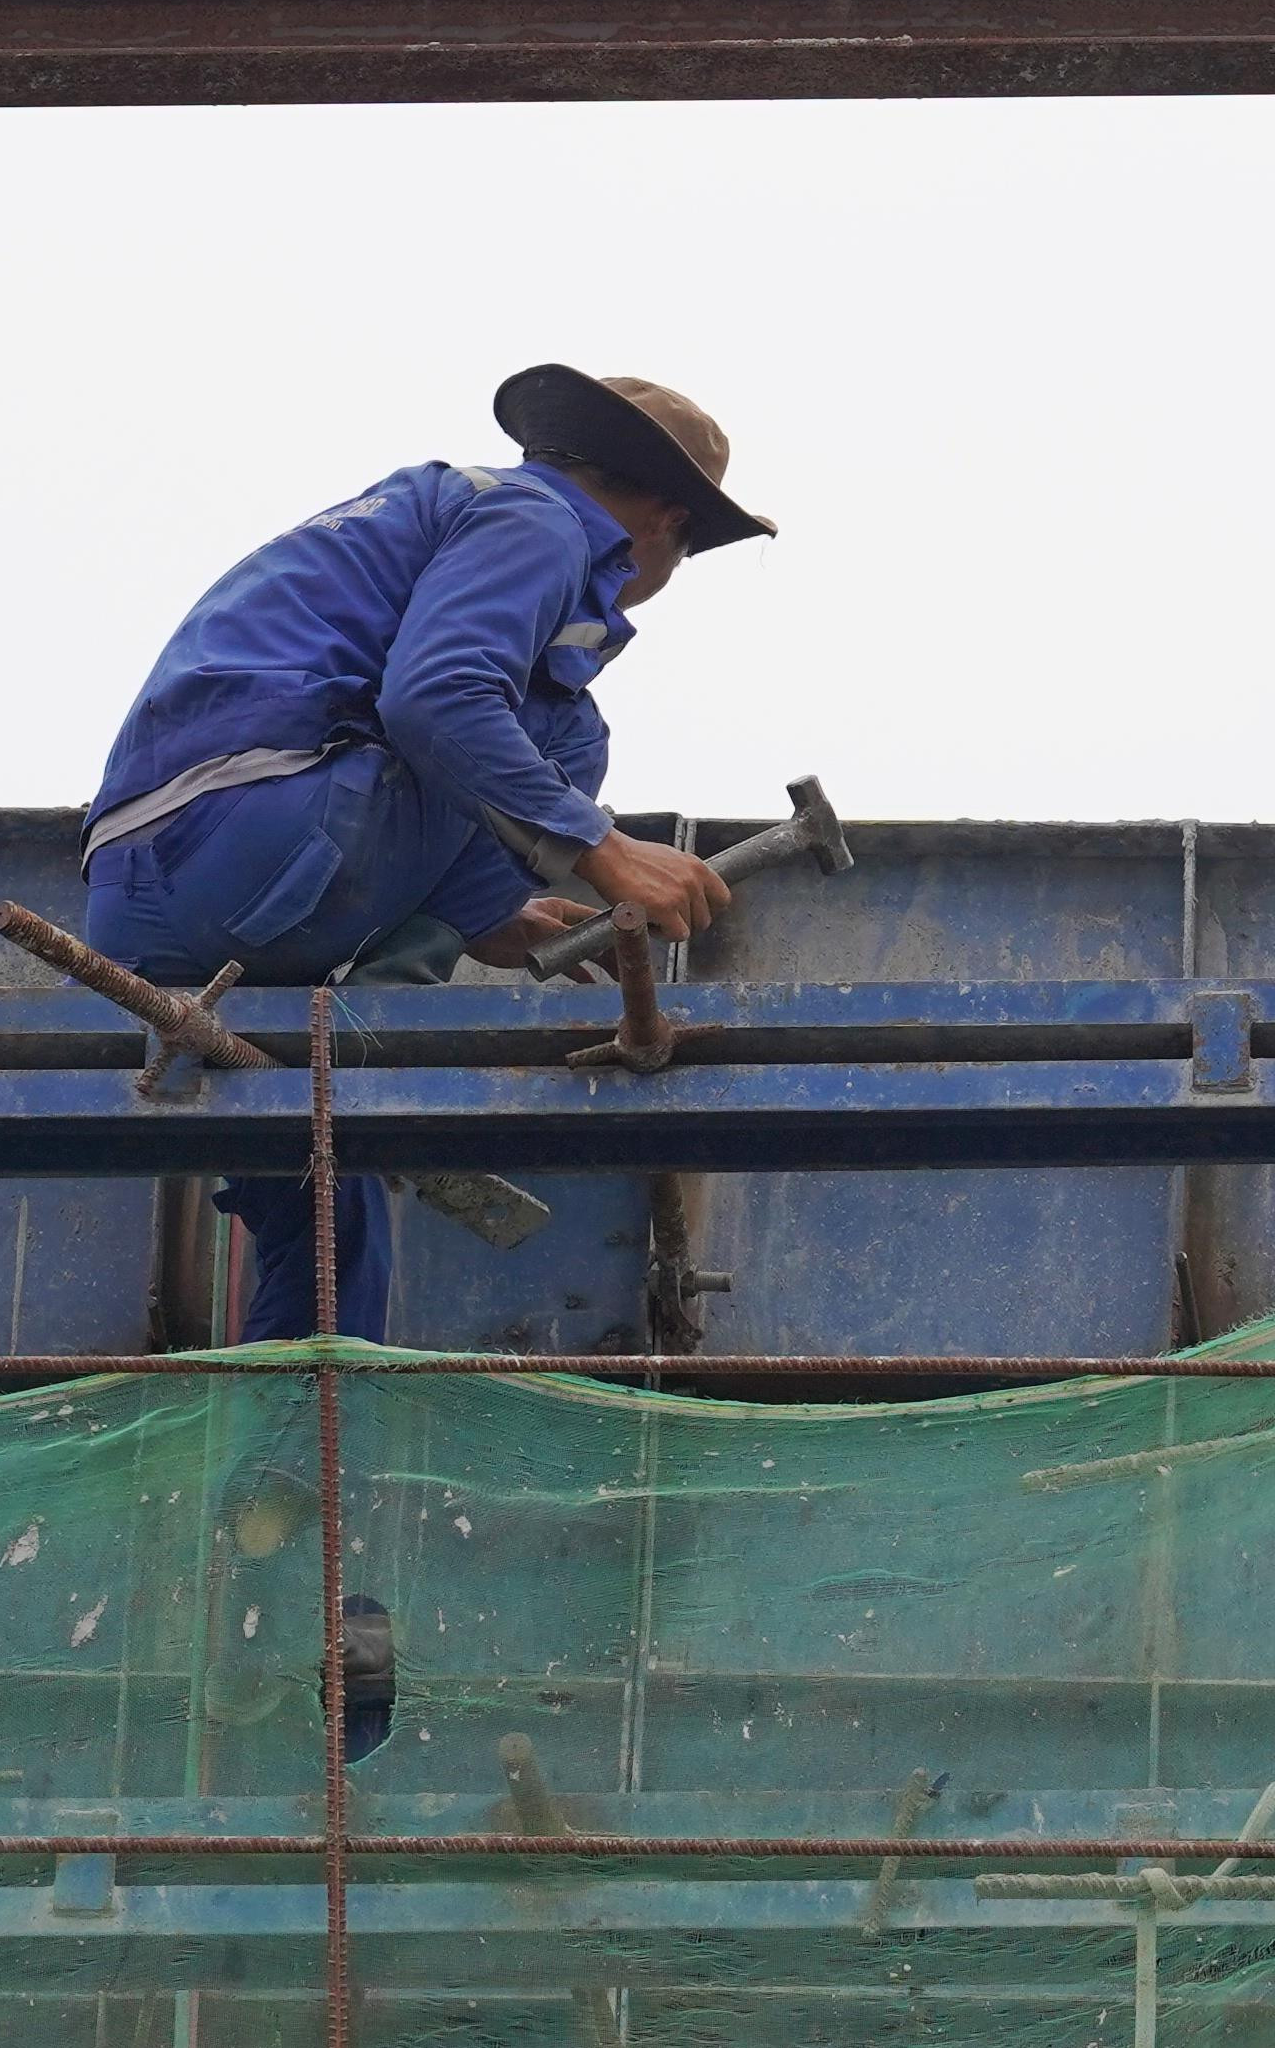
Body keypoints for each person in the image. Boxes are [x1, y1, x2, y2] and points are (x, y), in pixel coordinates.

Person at [81, 364, 771, 1339]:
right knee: (564, 730)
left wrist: (491, 914)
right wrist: (599, 845)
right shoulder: (545, 522)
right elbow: (437, 696)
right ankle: (386, 1015)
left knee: (329, 1209)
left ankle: (290, 1420)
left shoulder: (445, 505)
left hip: (147, 896)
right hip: (259, 842)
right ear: (667, 519)